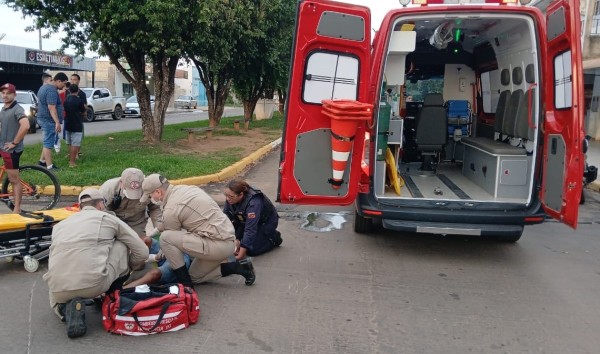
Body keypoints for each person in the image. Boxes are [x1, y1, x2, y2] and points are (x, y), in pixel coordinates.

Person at [43, 188, 148, 338]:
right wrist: (133, 265)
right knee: (122, 245)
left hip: (57, 288)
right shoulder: (107, 218)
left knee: (61, 264)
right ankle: (110, 298)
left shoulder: (60, 226)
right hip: (94, 284)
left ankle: (64, 309)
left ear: (80, 207)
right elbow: (142, 251)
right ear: (100, 205)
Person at [139, 174, 256, 287]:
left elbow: (168, 242)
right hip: (227, 239)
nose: (151, 199)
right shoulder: (186, 189)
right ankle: (240, 268)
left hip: (216, 244)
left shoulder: (171, 208)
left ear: (158, 192)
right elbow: (168, 223)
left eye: (150, 196)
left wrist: (154, 258)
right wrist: (153, 233)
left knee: (165, 238)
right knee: (194, 276)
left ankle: (186, 286)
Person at [223, 178, 282, 260]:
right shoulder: (230, 197)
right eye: (226, 195)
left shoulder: (254, 203)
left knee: (251, 250)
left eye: (231, 196)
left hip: (264, 222)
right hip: (243, 221)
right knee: (230, 242)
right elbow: (225, 218)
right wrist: (235, 239)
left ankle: (273, 238)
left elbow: (250, 229)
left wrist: (240, 255)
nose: (227, 199)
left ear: (241, 194)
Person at [99, 168, 162, 236]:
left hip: (136, 221)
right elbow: (100, 212)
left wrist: (158, 227)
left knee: (139, 243)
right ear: (121, 183)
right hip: (113, 219)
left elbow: (154, 208)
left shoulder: (150, 187)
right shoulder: (108, 189)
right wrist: (115, 224)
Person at [0, 83, 30, 214]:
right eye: (3, 93)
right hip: (2, 146)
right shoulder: (4, 108)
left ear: (14, 94)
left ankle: (17, 209)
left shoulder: (17, 109)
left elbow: (25, 125)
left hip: (11, 150)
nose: (5, 95)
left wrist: (14, 142)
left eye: (8, 93)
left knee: (14, 180)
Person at [37, 72, 68, 170]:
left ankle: (42, 162)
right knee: (48, 143)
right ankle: (49, 166)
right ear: (58, 81)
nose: (64, 86)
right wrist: (57, 122)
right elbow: (51, 107)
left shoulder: (44, 87)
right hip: (48, 120)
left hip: (43, 118)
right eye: (63, 83)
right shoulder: (51, 90)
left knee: (47, 140)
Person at [63, 84, 86, 167]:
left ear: (69, 90)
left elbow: (65, 109)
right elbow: (83, 111)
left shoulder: (66, 100)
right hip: (77, 123)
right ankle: (72, 162)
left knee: (69, 142)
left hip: (68, 123)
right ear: (78, 91)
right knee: (75, 144)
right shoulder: (79, 101)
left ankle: (70, 158)